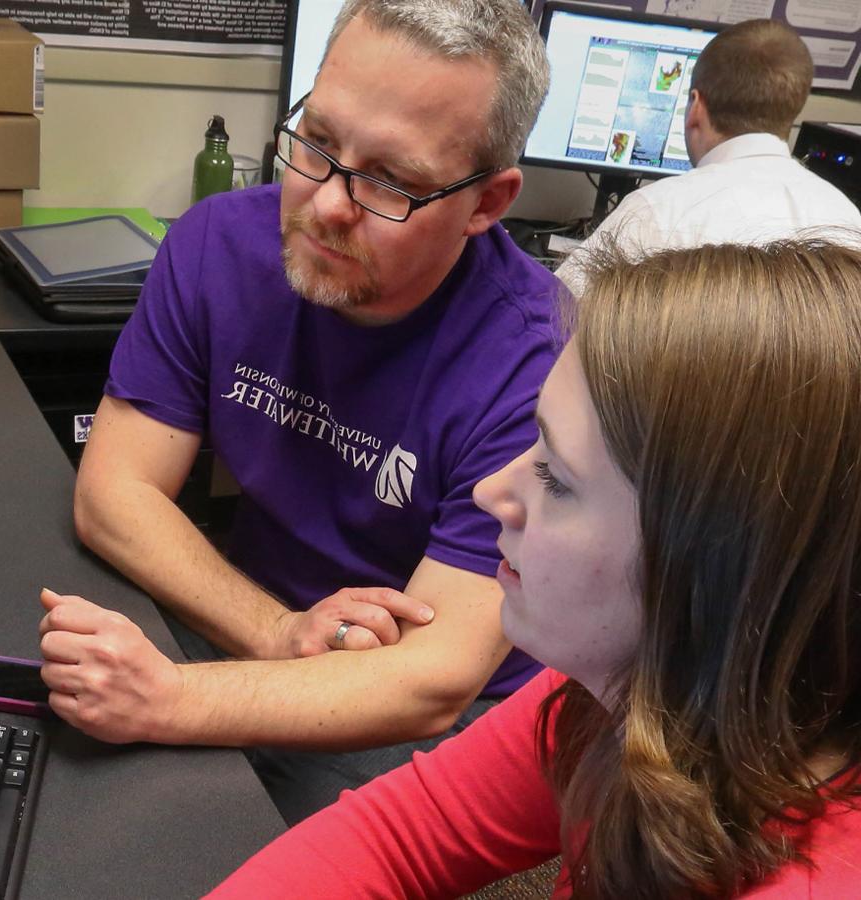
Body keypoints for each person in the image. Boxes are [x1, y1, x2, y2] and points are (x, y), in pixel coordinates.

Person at [211, 240, 861, 899]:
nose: (493, 491)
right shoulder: (634, 691)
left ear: (717, 562)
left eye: (558, 478)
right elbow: (399, 838)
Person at [39, 0, 559, 823]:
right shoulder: (217, 243)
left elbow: (434, 677)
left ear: (488, 202)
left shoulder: (539, 364)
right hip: (260, 617)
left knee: (206, 846)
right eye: (315, 144)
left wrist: (172, 699)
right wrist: (278, 634)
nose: (325, 205)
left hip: (423, 704)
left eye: (389, 181)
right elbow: (113, 493)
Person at [554, 19, 861, 298]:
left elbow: (557, 313)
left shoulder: (659, 210)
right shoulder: (844, 219)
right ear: (791, 109)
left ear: (696, 107)